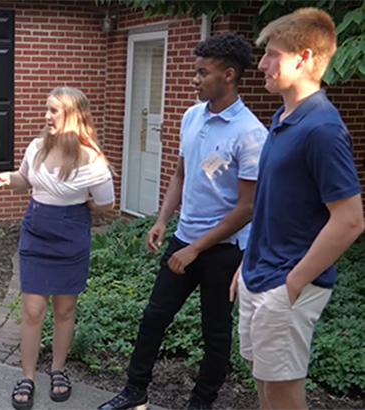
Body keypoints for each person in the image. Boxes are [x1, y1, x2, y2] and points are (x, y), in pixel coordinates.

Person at [98, 33, 267, 410]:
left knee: (215, 333)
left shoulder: (251, 133)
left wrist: (195, 249)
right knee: (154, 317)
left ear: (228, 75)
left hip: (223, 251)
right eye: (194, 72)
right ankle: (134, 390)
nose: (194, 79)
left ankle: (200, 403)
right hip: (184, 239)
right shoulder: (192, 116)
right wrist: (162, 220)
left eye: (201, 73)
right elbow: (180, 174)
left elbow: (247, 208)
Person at [230, 8, 364, 410]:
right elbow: (274, 205)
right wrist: (247, 263)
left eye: (273, 54)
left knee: (283, 394)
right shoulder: (284, 117)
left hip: (285, 285)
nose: (263, 64)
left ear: (304, 58)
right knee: (265, 382)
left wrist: (292, 283)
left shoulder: (322, 128)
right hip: (260, 274)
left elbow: (350, 219)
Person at [0, 86, 115, 410]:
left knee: (64, 310)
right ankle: (27, 376)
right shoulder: (37, 147)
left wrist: (74, 206)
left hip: (71, 235)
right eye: (47, 109)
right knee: (32, 310)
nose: (46, 116)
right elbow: (25, 181)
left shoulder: (92, 159)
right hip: (36, 232)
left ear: (74, 115)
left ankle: (58, 370)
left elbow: (106, 203)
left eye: (54, 110)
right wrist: (6, 179)